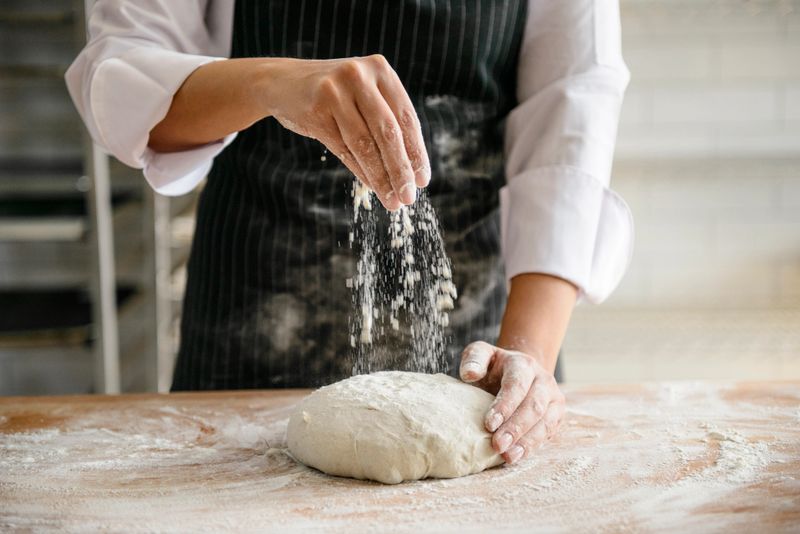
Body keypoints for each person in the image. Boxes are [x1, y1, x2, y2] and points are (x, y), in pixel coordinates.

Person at [66, 0, 632, 466]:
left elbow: (574, 108)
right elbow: (123, 75)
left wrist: (527, 350)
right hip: (255, 320)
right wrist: (271, 82)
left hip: (480, 351)